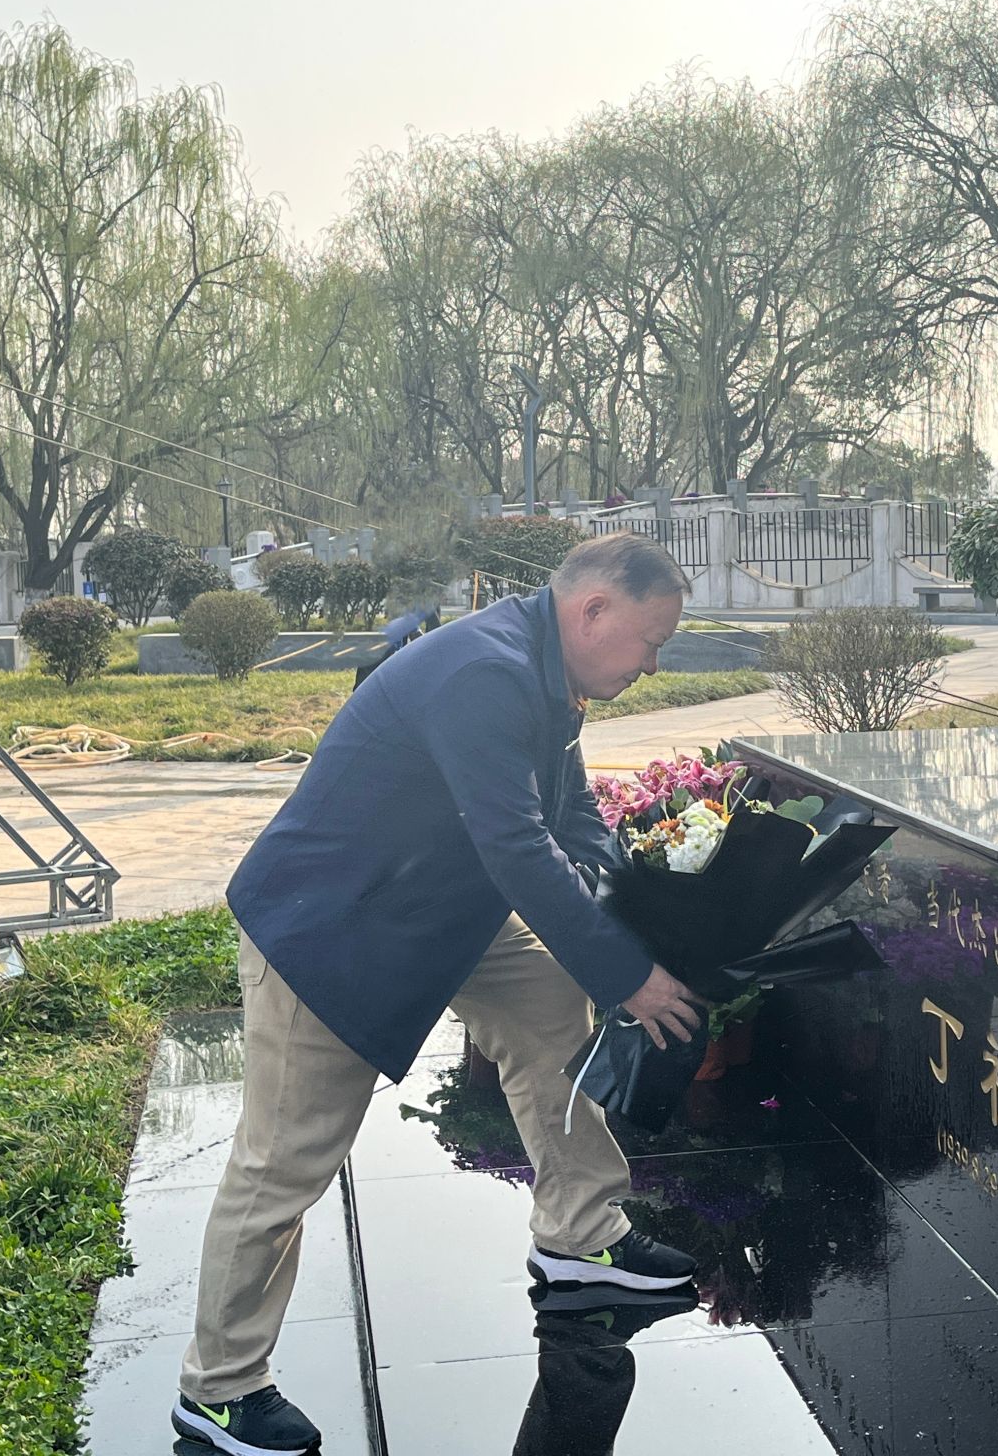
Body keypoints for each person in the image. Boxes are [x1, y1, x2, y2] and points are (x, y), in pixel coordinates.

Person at [172, 531, 704, 1456]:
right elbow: (519, 847)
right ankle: (218, 1389)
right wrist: (632, 977)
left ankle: (581, 1235)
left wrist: (643, 915)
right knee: (285, 1160)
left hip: (445, 903)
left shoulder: (547, 669)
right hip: (332, 926)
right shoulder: (488, 673)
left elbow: (570, 812)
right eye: (651, 641)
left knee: (550, 1009)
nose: (653, 664)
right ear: (593, 611)